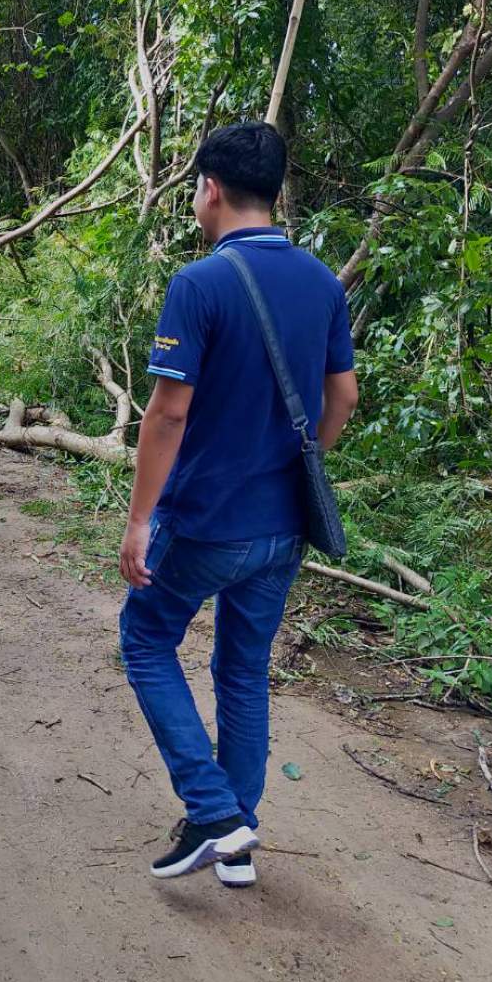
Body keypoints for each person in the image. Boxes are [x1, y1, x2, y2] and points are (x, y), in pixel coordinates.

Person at [118, 122, 357, 888]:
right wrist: (300, 459)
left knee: (145, 638)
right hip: (284, 523)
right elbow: (343, 396)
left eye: (196, 188)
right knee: (244, 671)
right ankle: (238, 839)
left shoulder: (199, 285)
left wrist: (139, 519)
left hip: (206, 522)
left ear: (211, 189)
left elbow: (167, 413)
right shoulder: (322, 283)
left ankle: (215, 813)